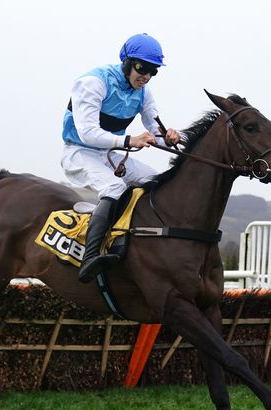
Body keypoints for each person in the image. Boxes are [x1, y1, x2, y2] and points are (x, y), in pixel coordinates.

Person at [61, 33, 180, 283]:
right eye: (141, 68)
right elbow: (88, 132)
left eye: (152, 71)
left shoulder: (144, 93)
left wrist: (169, 137)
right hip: (79, 152)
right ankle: (90, 257)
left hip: (110, 154)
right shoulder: (93, 82)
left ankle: (126, 241)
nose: (146, 76)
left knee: (156, 180)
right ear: (126, 62)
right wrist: (130, 140)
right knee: (114, 185)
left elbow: (155, 131)